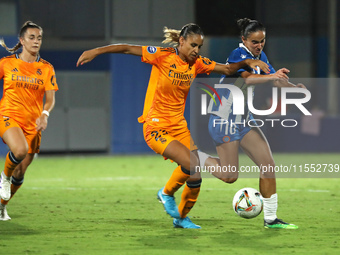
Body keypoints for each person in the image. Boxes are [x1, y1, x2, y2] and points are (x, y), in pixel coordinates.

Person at [77, 23, 270, 229]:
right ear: (182, 41)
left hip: (179, 128)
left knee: (220, 175)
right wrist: (96, 51)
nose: (196, 51)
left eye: (199, 47)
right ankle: (166, 193)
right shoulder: (162, 55)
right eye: (193, 45)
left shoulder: (197, 63)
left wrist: (247, 61)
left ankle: (181, 218)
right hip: (156, 127)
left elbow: (228, 68)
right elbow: (126, 48)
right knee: (192, 165)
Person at [206, 18, 305, 229]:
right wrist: (273, 78)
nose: (259, 45)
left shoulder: (261, 56)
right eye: (254, 41)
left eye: (262, 41)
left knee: (268, 165)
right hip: (224, 119)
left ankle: (271, 219)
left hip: (243, 119)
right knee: (229, 176)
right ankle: (194, 157)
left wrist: (294, 88)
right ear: (244, 39)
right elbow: (250, 79)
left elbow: (276, 80)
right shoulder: (238, 54)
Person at [0, 21, 58, 220]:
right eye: (32, 37)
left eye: (39, 38)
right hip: (9, 115)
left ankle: (1, 206)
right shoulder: (7, 63)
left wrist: (45, 114)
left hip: (33, 124)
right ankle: (4, 177)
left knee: (21, 170)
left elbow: (50, 100)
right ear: (21, 41)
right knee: (19, 150)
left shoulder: (46, 68)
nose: (36, 41)